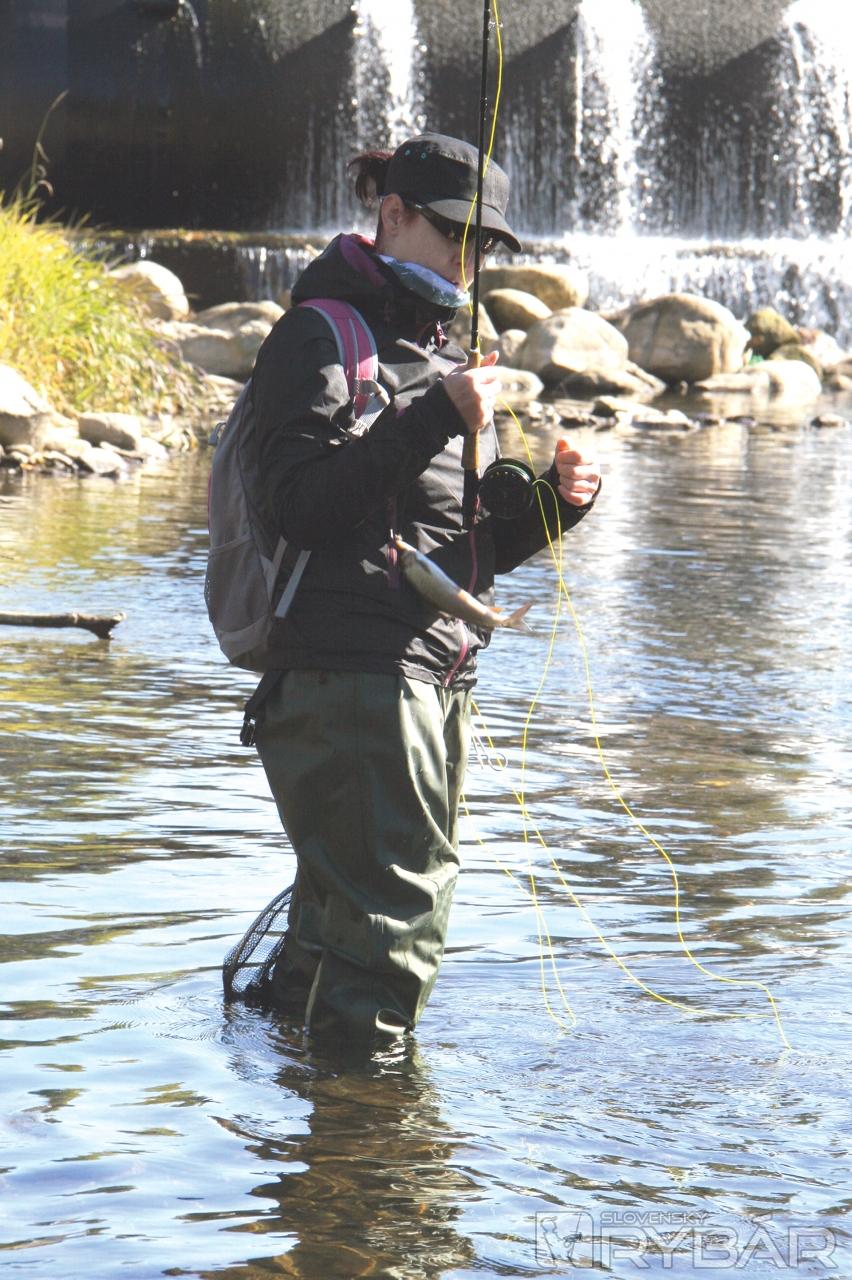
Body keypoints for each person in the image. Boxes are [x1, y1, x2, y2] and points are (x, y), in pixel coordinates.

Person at [247, 133, 601, 1049]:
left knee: (337, 934)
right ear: (392, 214)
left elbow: (460, 555)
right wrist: (434, 417)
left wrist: (556, 507)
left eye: (485, 245)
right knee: (391, 929)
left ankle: (309, 1118)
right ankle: (378, 1133)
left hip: (430, 678)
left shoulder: (446, 362)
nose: (467, 260)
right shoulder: (319, 335)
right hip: (355, 678)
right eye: (454, 234)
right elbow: (300, 507)